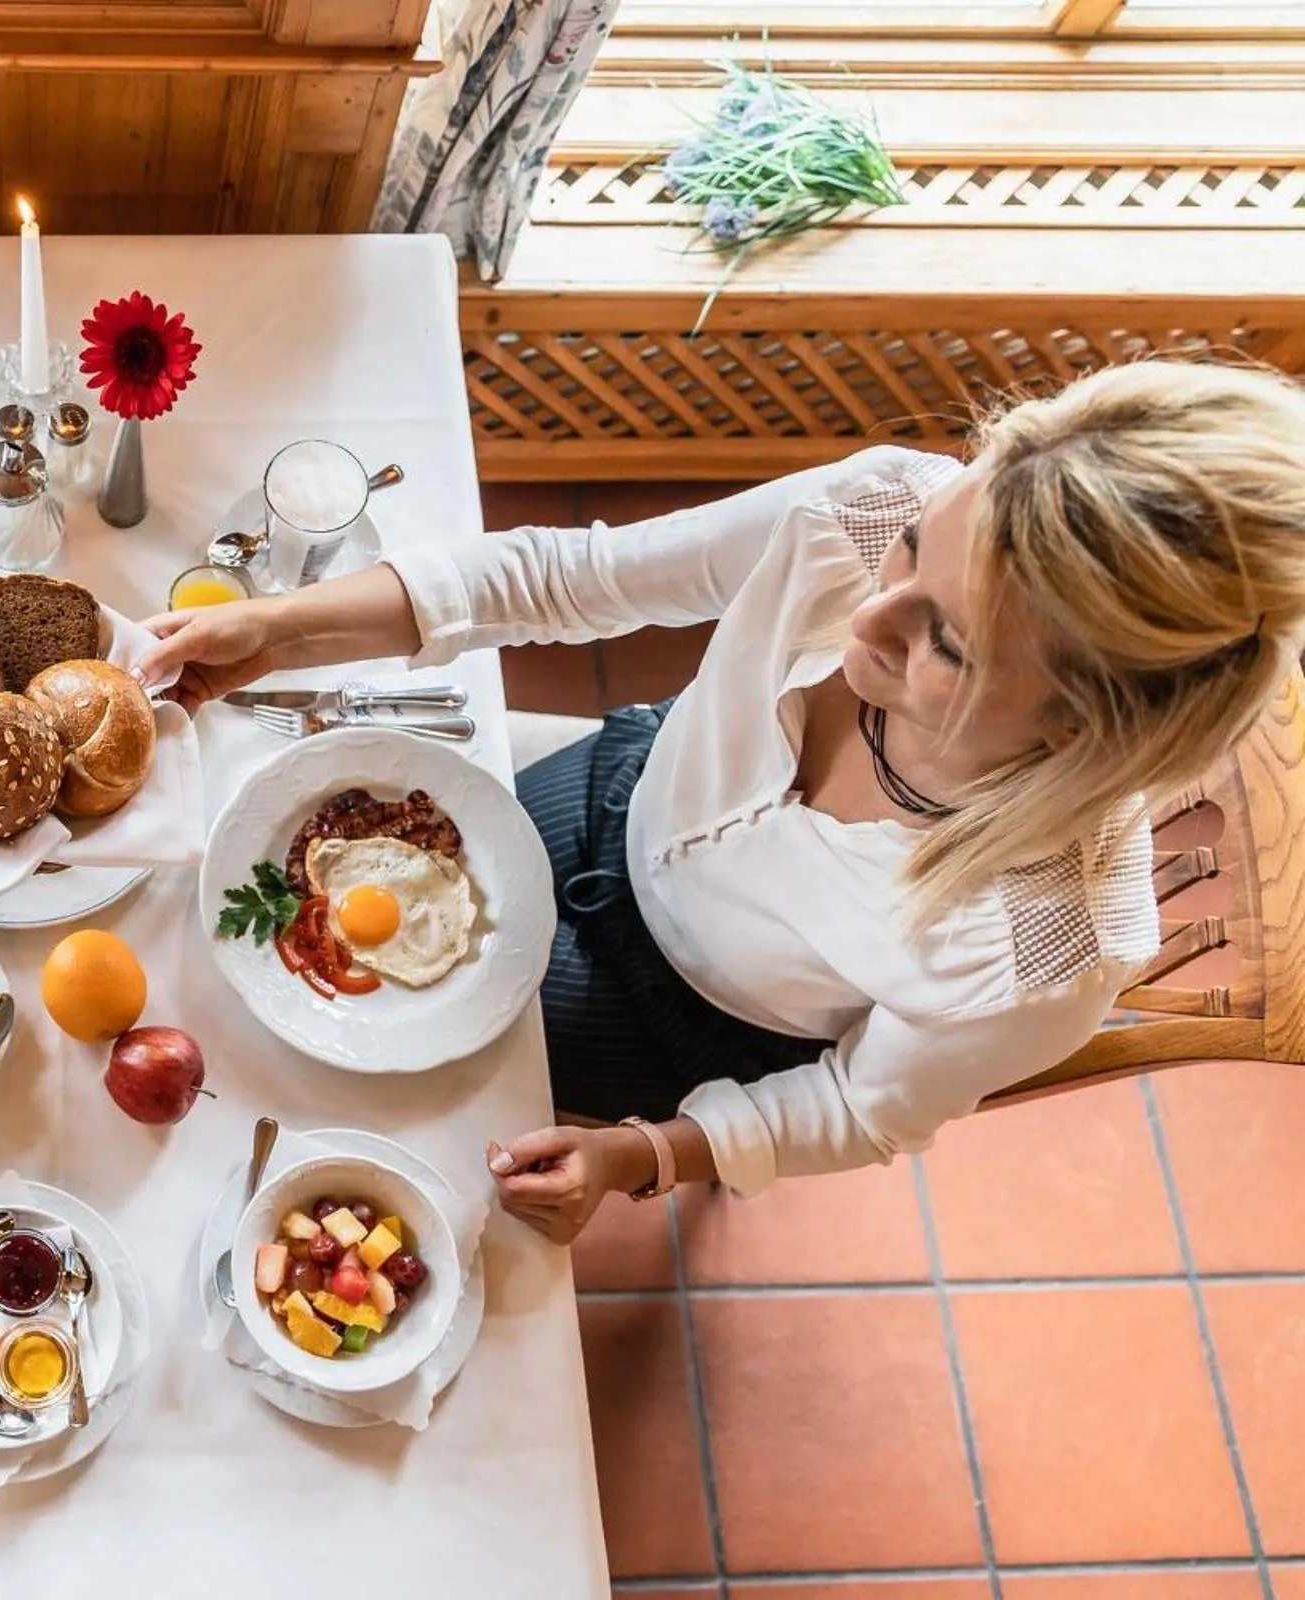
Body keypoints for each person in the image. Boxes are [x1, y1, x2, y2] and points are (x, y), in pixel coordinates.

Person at [142, 361, 1305, 1242]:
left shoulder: (1048, 949)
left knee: (388, 1109)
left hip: (681, 1024)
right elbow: (574, 578)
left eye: (943, 642)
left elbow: (860, 1107)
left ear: (1080, 725)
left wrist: (647, 1155)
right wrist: (277, 630)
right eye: (912, 552)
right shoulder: (870, 508)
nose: (867, 615)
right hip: (608, 795)